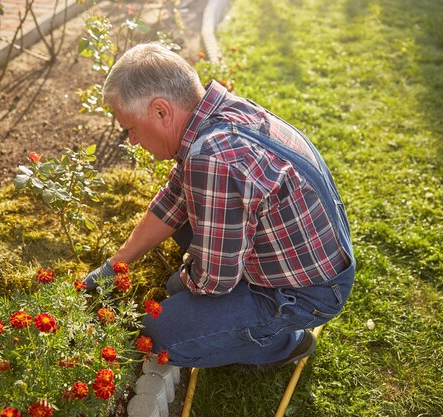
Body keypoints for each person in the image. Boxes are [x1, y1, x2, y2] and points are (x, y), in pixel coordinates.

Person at [84, 43, 355, 369]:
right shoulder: (217, 115)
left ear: (160, 110)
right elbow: (173, 200)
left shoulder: (213, 156)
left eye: (130, 128)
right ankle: (240, 316)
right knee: (180, 276)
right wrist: (114, 266)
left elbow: (214, 280)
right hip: (303, 257)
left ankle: (284, 341)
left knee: (160, 335)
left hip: (304, 293)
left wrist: (184, 279)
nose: (132, 141)